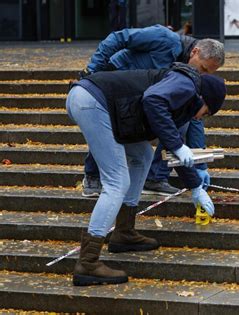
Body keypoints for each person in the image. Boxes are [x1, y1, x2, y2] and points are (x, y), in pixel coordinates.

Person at [66, 62, 226, 286]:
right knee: (117, 181)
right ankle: (88, 262)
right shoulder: (186, 85)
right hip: (92, 101)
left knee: (142, 156)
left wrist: (196, 187)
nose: (201, 118)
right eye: (207, 112)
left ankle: (123, 232)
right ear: (203, 100)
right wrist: (180, 149)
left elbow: (173, 148)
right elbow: (152, 100)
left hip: (96, 101)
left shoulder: (182, 103)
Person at [80, 24, 225, 197]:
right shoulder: (163, 38)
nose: (201, 75)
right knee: (107, 126)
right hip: (115, 83)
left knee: (178, 124)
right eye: (202, 69)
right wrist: (93, 70)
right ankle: (92, 175)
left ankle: (155, 178)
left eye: (207, 73)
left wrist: (200, 166)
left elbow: (193, 118)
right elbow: (117, 38)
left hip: (142, 98)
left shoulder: (189, 82)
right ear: (195, 51)